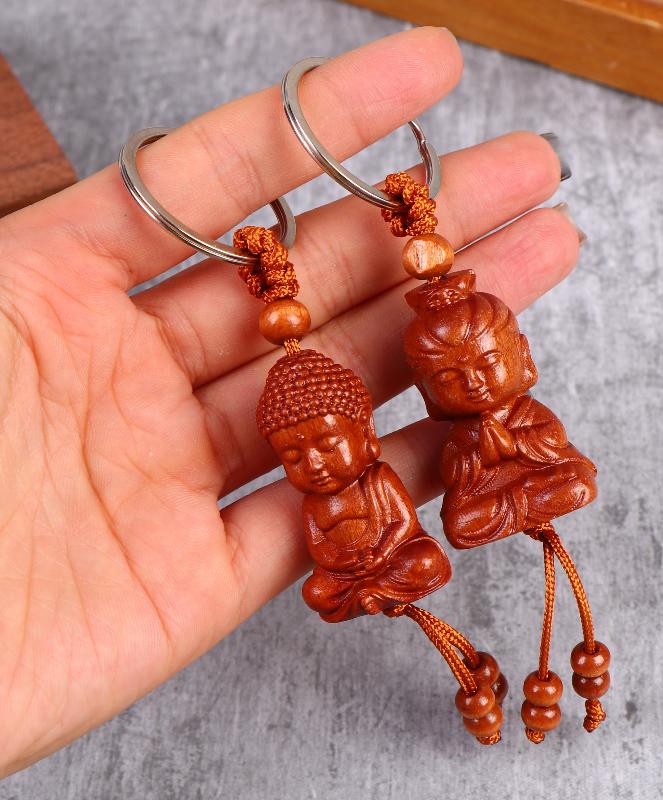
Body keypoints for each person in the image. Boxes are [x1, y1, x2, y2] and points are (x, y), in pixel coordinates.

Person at [0, 27, 581, 775]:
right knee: (375, 570)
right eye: (295, 455)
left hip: (423, 546)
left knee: (452, 543)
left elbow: (429, 517)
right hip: (375, 569)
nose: (314, 464)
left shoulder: (478, 436)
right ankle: (472, 668)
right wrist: (354, 551)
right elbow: (381, 534)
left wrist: (507, 478)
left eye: (487, 368)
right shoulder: (352, 485)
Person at [404, 269, 596, 549]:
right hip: (494, 500)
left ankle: (529, 504)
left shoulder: (527, 411)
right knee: (458, 527)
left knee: (578, 483)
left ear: (522, 355)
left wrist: (514, 442)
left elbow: (553, 436)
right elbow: (455, 471)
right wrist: (476, 456)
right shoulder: (460, 437)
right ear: (426, 393)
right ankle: (526, 506)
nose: (473, 383)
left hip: (541, 482)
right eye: (448, 378)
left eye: (488, 364)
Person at [259, 349, 451, 622]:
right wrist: (341, 562)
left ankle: (378, 592)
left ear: (365, 430)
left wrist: (382, 552)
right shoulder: (312, 503)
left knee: (427, 559)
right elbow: (319, 545)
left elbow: (405, 521)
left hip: (393, 553)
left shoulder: (378, 477)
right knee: (315, 593)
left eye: (328, 446)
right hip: (346, 574)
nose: (313, 464)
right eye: (293, 458)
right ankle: (375, 593)